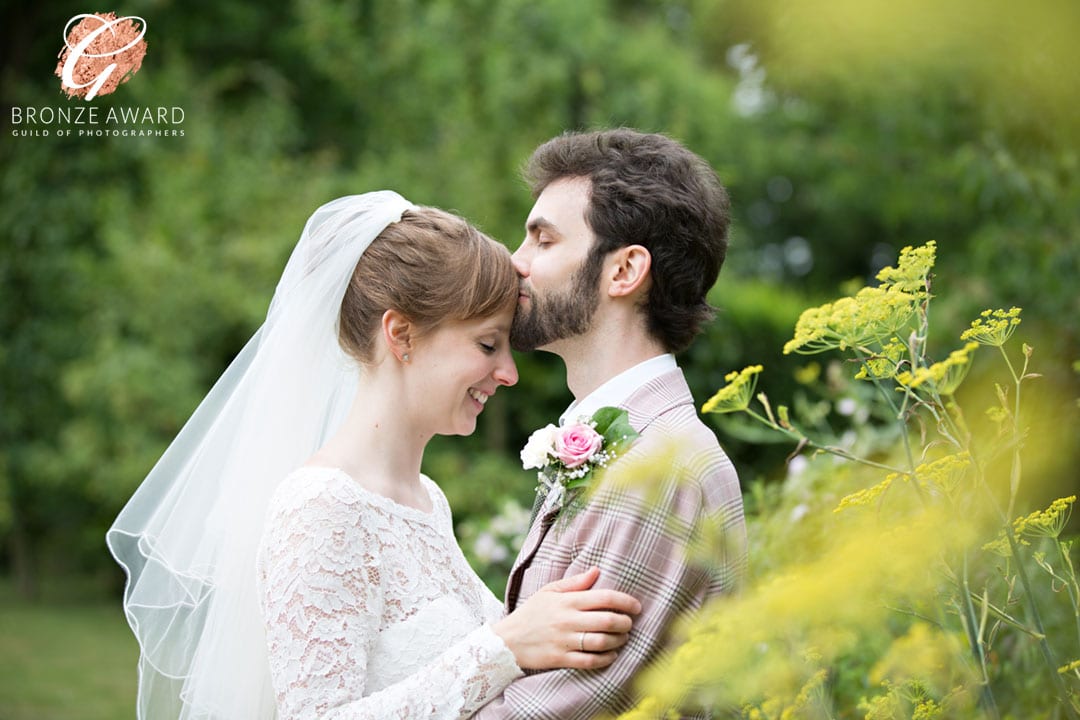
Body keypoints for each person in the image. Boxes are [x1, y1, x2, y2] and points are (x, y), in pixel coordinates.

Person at [106, 191, 641, 719]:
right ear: (401, 334)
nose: (509, 373)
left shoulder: (426, 499)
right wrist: (502, 648)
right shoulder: (320, 507)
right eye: (486, 345)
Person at [471, 129, 749, 718]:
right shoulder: (631, 448)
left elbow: (554, 709)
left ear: (624, 271)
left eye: (542, 241)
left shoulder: (659, 467)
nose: (515, 264)